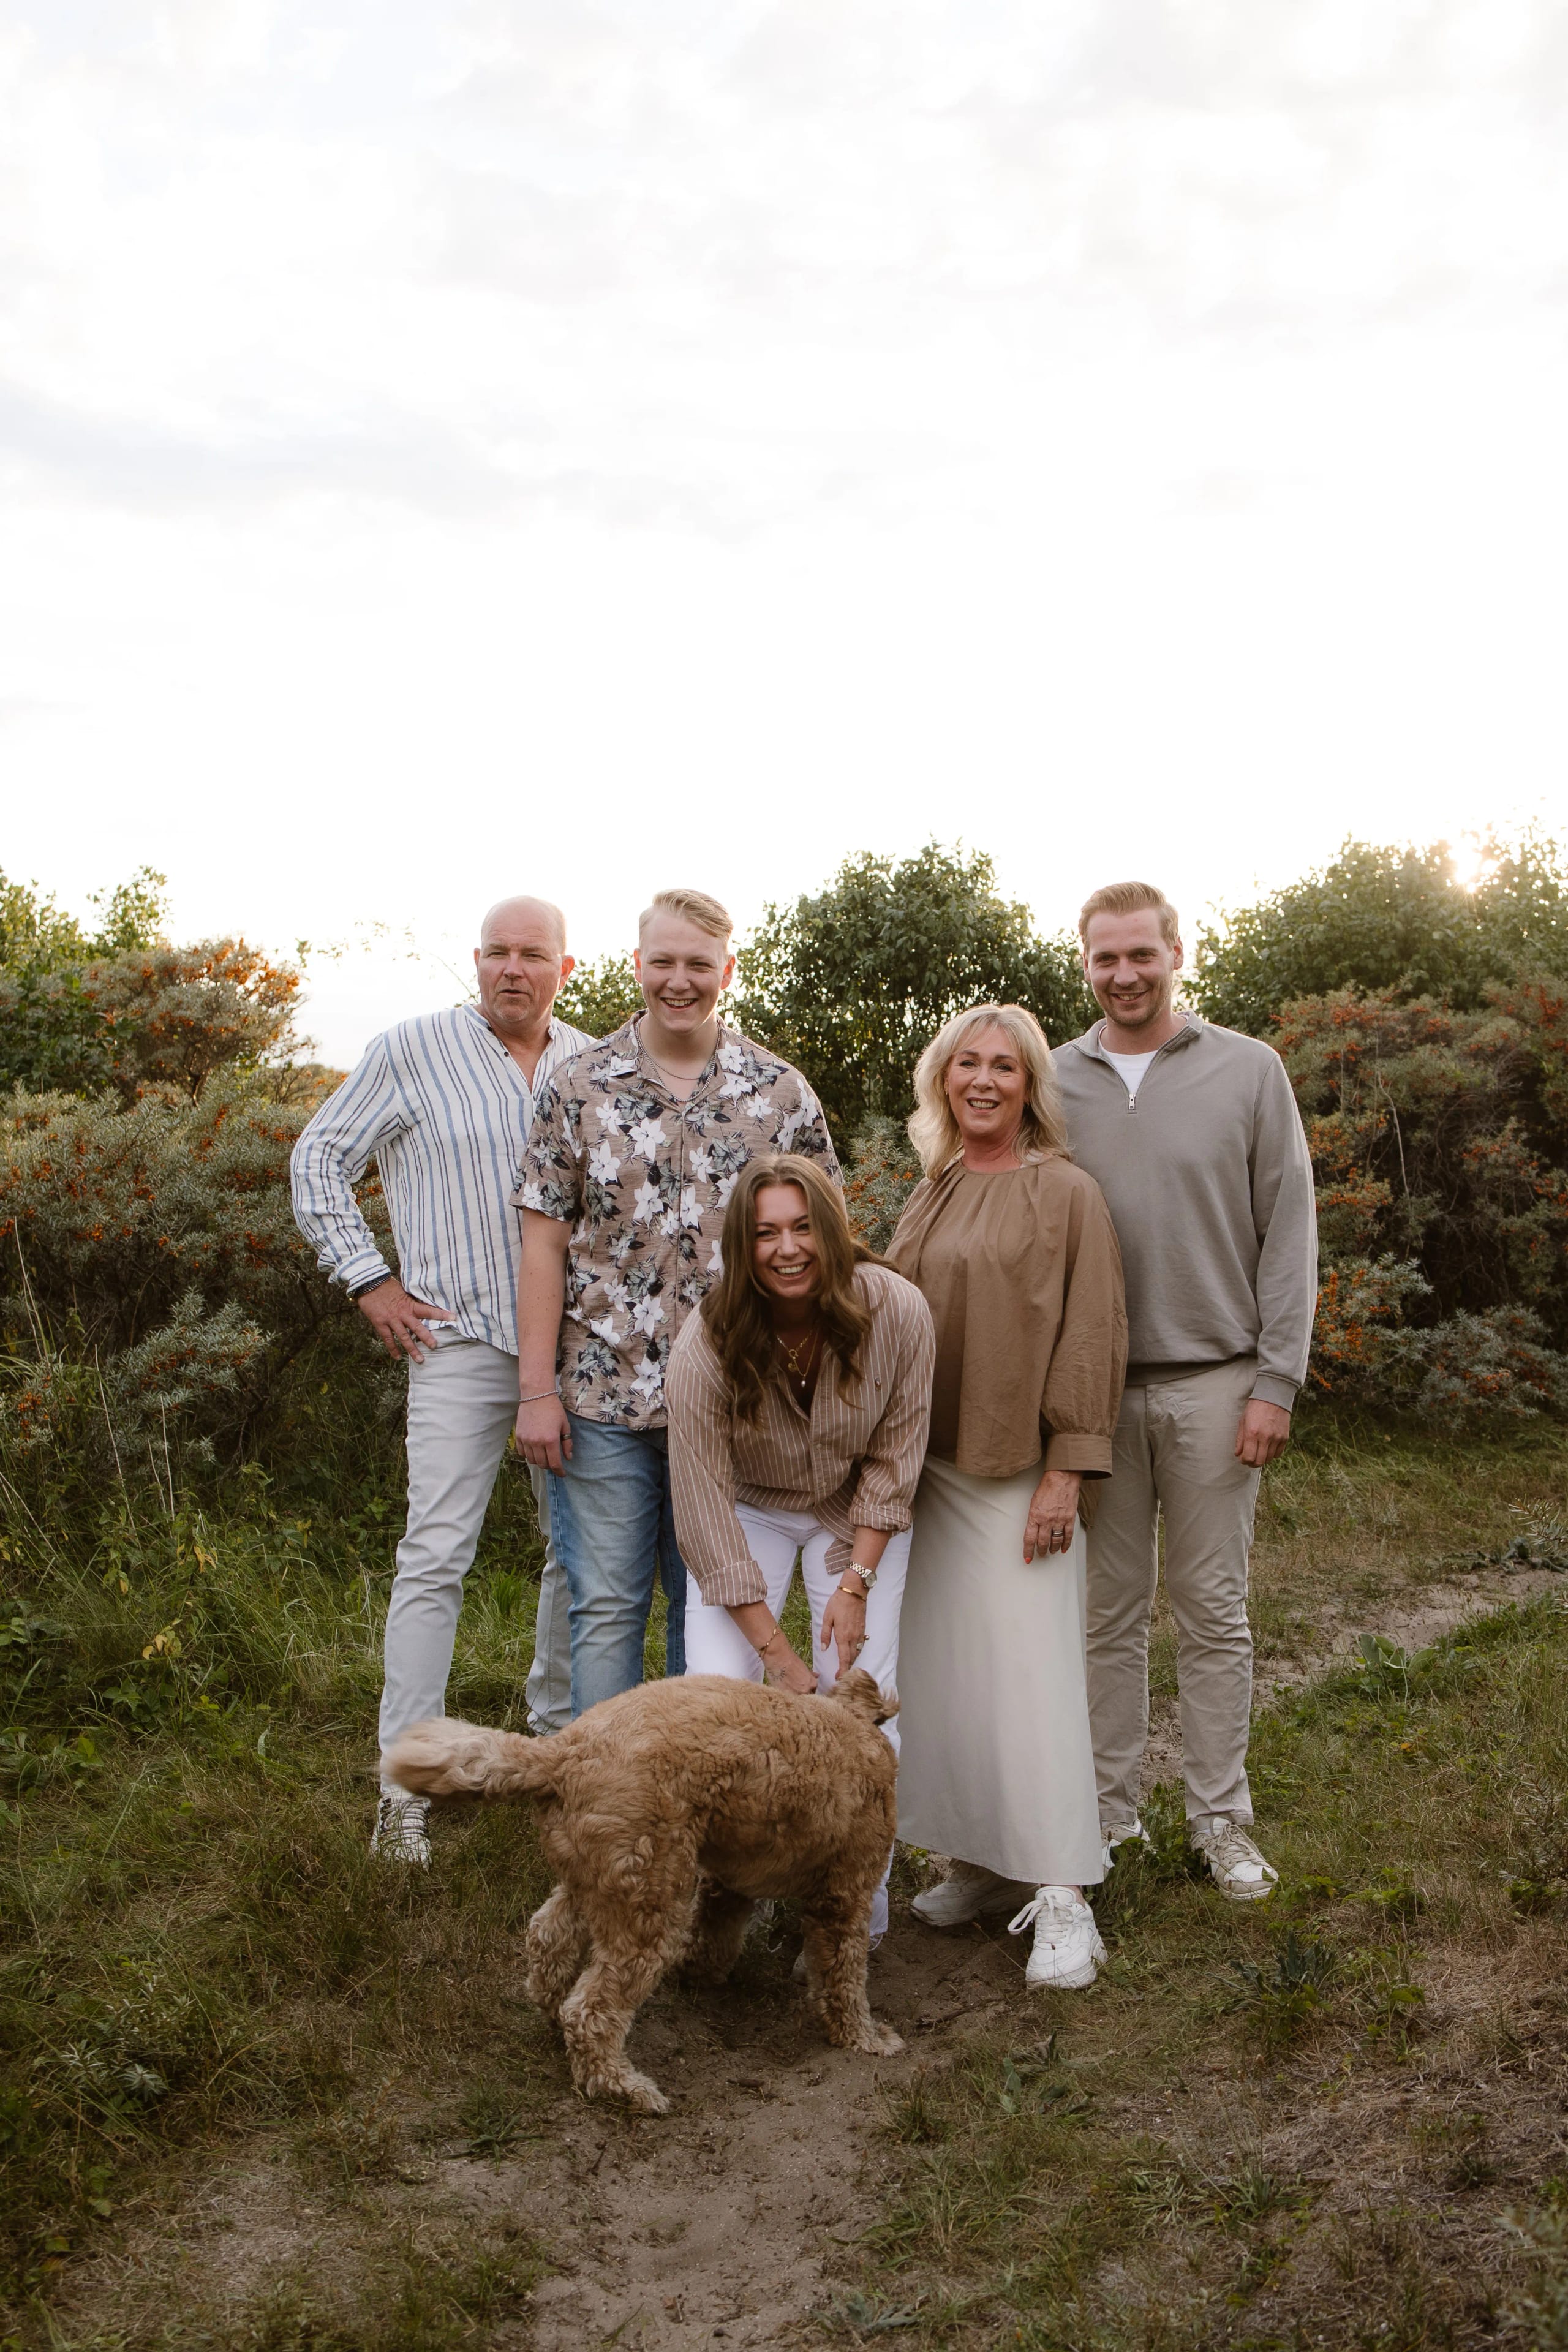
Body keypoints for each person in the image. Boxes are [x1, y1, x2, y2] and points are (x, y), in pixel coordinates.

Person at [290, 896, 591, 1864]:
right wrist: (369, 1279)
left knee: (574, 1554)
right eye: (498, 953)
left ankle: (553, 1754)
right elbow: (319, 1157)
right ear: (476, 961)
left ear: (564, 969)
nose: (514, 968)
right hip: (457, 1338)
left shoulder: (593, 1060)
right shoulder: (410, 1050)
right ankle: (405, 1785)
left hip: (578, 1349)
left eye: (532, 954)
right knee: (436, 1555)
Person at [513, 889, 839, 1717]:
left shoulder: (780, 1094)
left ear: (726, 970)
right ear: (639, 965)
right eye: (664, 962)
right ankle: (595, 1811)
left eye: (699, 964)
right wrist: (535, 1392)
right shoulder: (578, 1086)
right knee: (607, 1613)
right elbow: (543, 1244)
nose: (680, 980)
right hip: (601, 1402)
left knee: (709, 1624)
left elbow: (827, 1252)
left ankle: (694, 1816)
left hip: (737, 1407)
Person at [1055, 881, 1318, 1902]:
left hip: (1220, 1381)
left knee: (1214, 1615)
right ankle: (1109, 1820)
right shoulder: (1055, 1079)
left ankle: (1221, 1821)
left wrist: (1276, 1382)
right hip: (1096, 1397)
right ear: (1085, 964)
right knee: (1105, 1619)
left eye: (1141, 956)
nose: (1124, 975)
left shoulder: (1248, 1071)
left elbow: (1289, 1233)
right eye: (1105, 958)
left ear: (1175, 954)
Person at [886, 1005, 1127, 1992]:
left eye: (1005, 1068)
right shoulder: (935, 1187)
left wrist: (1067, 1470)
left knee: (1032, 1688)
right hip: (930, 1475)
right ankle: (982, 1864)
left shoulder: (1065, 1192)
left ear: (1031, 1086)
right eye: (967, 1065)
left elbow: (1092, 1328)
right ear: (944, 1079)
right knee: (952, 1682)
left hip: (1021, 1472)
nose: (983, 1081)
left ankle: (1066, 1895)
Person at [666, 1154, 935, 1940]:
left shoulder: (898, 1311)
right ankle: (718, 1914)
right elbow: (704, 1510)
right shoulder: (706, 1342)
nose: (788, 1249)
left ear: (832, 1231)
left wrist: (856, 1581)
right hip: (745, 1507)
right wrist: (778, 1660)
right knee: (717, 1690)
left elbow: (896, 1456)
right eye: (765, 1234)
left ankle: (855, 1921)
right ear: (740, 1249)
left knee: (860, 1695)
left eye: (802, 1227)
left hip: (849, 1511)